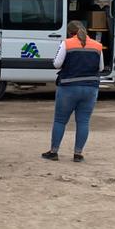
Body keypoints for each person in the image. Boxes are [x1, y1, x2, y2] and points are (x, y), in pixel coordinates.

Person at [42, 21, 102, 163]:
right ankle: (78, 154)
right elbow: (100, 68)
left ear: (70, 32)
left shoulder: (66, 43)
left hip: (68, 87)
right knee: (83, 121)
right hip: (90, 88)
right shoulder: (97, 46)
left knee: (60, 121)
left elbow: (57, 64)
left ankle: (54, 152)